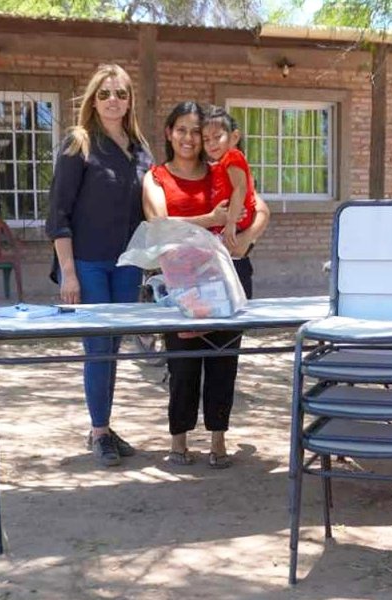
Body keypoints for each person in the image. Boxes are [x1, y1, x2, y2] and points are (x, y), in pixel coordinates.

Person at [142, 101, 270, 468]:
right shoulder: (156, 177)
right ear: (169, 133)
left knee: (223, 361)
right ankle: (178, 440)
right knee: (183, 365)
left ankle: (218, 440)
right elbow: (160, 224)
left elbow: (261, 208)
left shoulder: (223, 167)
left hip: (227, 279)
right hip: (180, 283)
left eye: (195, 131)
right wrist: (210, 218)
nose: (188, 138)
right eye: (180, 129)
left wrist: (246, 238)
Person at [46, 64, 153, 467]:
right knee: (97, 348)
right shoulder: (80, 143)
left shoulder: (139, 148)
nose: (113, 100)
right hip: (88, 264)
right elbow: (58, 212)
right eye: (105, 93)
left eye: (121, 94)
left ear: (129, 101)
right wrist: (68, 272)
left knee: (113, 348)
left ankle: (103, 425)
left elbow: (150, 209)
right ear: (93, 98)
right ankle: (99, 431)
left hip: (127, 264)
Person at [201, 105, 257, 249]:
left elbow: (240, 187)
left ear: (234, 137)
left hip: (235, 222)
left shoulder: (233, 156)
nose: (211, 143)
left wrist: (231, 222)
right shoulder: (221, 162)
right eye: (206, 139)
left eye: (217, 137)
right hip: (227, 222)